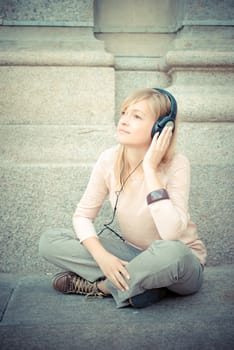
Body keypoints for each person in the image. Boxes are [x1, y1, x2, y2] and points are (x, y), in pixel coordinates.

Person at [39, 88, 207, 308]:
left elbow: (171, 233)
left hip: (180, 262)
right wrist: (102, 257)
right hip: (133, 254)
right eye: (124, 113)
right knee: (50, 241)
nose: (124, 121)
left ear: (162, 127)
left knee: (172, 252)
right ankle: (144, 284)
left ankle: (103, 288)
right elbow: (82, 216)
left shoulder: (177, 163)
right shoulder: (109, 159)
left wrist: (150, 169)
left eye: (136, 116)